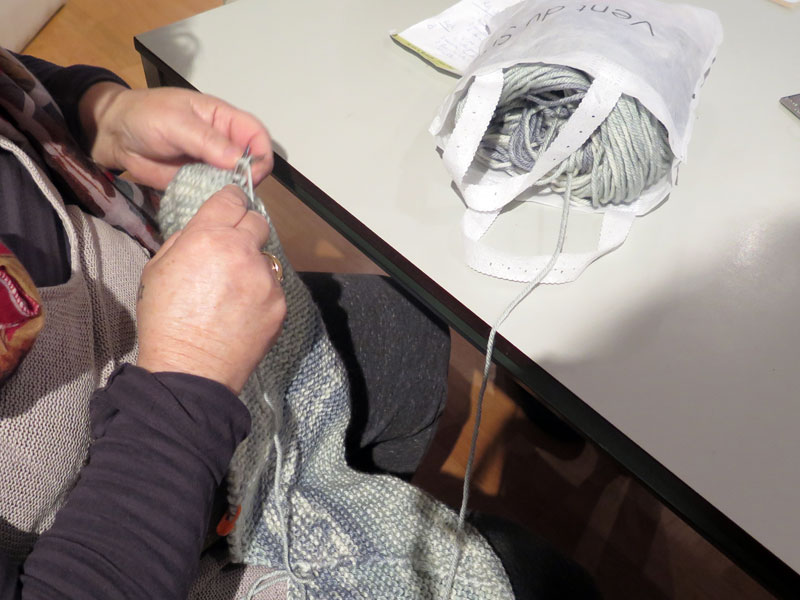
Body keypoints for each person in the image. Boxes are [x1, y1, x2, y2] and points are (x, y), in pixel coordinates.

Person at [0, 49, 599, 599]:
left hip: (173, 345)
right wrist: (186, 380)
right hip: (128, 536)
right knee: (538, 580)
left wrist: (99, 115)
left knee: (410, 333)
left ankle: (332, 486)